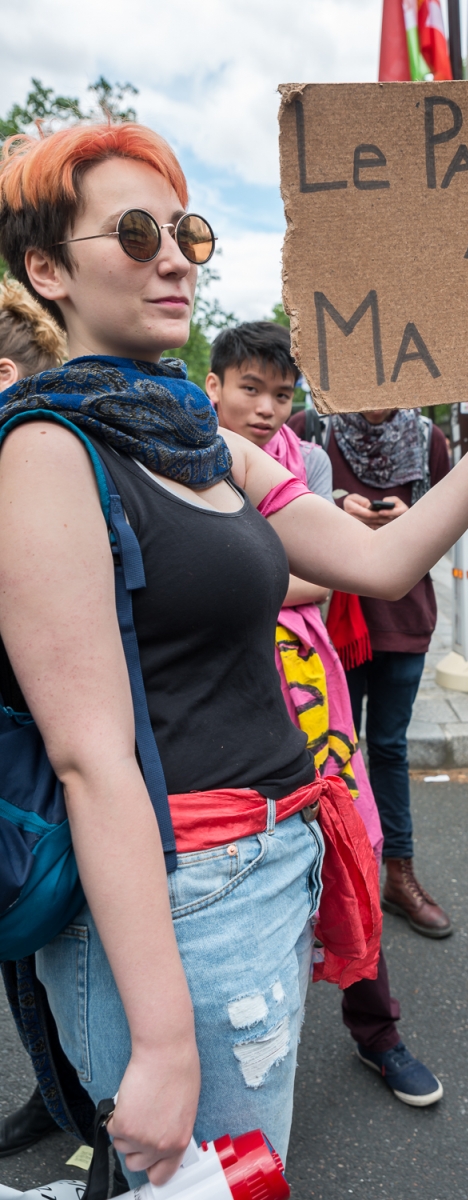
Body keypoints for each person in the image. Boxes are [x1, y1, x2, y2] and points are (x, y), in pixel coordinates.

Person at [0, 120, 468, 1186]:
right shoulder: (47, 450)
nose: (175, 257)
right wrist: (158, 1044)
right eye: (138, 231)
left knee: (240, 1176)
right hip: (180, 890)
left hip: (273, 860)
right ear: (47, 269)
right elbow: (90, 757)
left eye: (187, 231)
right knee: (219, 1183)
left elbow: (380, 563)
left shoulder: (200, 440)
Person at [207, 320, 443, 1106]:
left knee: (348, 843)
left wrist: (239, 583)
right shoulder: (174, 460)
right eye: (251, 390)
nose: (268, 409)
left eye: (283, 394)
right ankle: (240, 1066)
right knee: (237, 875)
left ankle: (379, 1033)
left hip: (311, 690)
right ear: (213, 388)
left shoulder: (303, 461)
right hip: (219, 703)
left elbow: (326, 583)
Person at [289, 404, 454, 939]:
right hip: (328, 621)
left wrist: (414, 525)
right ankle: (331, 885)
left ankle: (398, 875)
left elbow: (451, 524)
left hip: (403, 616)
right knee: (328, 755)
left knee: (388, 748)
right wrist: (336, 512)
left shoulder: (429, 437)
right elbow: (275, 516)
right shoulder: (309, 428)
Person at [0, 278, 70, 1159]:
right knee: (23, 956)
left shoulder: (38, 462)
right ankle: (57, 1092)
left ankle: (97, 1103)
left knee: (57, 937)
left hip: (50, 762)